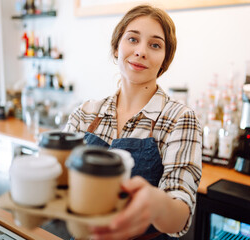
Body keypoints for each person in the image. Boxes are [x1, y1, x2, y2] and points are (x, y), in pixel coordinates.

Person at [64, 4, 202, 240]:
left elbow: (180, 216)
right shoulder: (86, 113)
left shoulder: (179, 119)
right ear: (117, 47)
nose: (141, 51)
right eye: (133, 39)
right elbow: (62, 183)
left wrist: (157, 204)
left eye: (155, 45)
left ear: (164, 61)